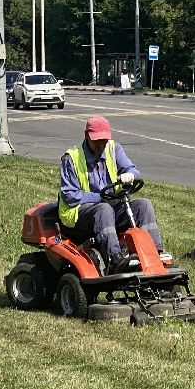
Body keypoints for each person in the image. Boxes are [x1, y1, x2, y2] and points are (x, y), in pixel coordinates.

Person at [58, 115, 164, 273]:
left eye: (104, 140)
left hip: (109, 206)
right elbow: (70, 195)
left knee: (143, 205)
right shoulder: (71, 158)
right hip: (78, 214)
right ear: (87, 136)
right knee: (104, 209)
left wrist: (130, 175)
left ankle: (156, 253)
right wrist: (99, 197)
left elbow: (132, 169)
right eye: (97, 140)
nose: (101, 144)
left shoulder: (114, 149)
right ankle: (114, 258)